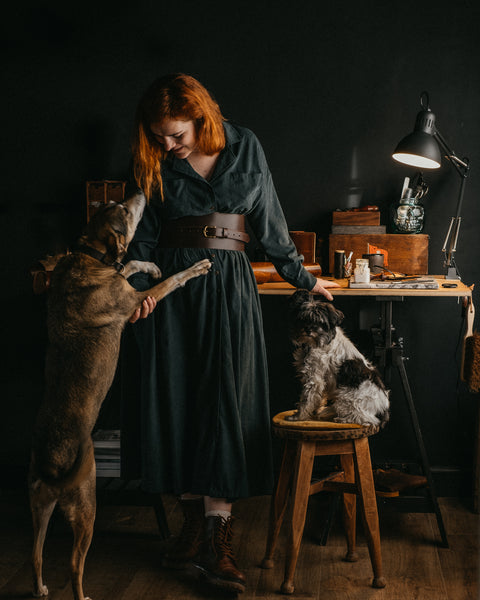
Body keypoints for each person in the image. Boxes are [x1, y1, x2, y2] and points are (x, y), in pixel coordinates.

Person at [122, 73, 339, 594]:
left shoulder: (246, 147)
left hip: (230, 293)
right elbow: (140, 238)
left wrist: (305, 279)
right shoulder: (153, 159)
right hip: (172, 293)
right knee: (179, 402)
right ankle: (192, 526)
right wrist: (135, 290)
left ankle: (219, 537)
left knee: (225, 403)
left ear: (201, 117)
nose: (168, 146)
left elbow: (271, 222)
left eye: (176, 135)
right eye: (159, 137)